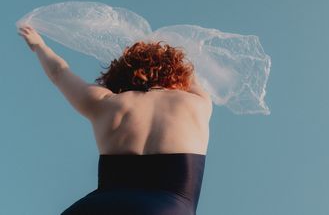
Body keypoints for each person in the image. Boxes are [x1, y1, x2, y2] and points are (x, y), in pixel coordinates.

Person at [18, 26, 213, 215]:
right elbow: (192, 77)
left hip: (97, 207)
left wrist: (39, 46)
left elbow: (59, 73)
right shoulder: (197, 102)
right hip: (166, 209)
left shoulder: (104, 102)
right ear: (178, 73)